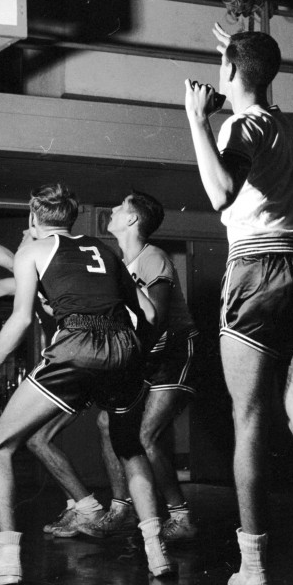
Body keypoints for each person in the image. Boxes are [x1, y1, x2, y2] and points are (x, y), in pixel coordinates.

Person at [183, 24, 293, 585]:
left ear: (231, 73)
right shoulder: (289, 125)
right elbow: (254, 76)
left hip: (259, 274)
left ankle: (252, 565)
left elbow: (220, 192)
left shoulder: (238, 125)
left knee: (249, 419)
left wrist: (195, 120)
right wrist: (237, 50)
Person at [0, 182, 176, 585]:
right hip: (122, 350)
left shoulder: (32, 251)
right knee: (129, 449)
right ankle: (156, 550)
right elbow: (145, 311)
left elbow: (20, 320)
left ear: (32, 219)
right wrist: (128, 355)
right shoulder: (104, 249)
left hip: (77, 344)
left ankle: (6, 559)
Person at [0, 222, 127, 540]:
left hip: (81, 356)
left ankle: (113, 508)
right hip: (79, 361)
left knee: (109, 426)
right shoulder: (35, 278)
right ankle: (89, 507)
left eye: (25, 234)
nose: (23, 239)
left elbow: (11, 258)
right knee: (39, 438)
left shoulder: (44, 258)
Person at [103, 191, 200, 544]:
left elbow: (156, 319)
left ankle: (181, 516)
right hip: (145, 355)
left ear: (131, 220)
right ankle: (121, 508)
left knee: (147, 436)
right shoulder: (120, 263)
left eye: (118, 206)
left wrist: (131, 357)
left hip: (172, 351)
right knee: (106, 422)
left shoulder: (152, 257)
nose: (111, 209)